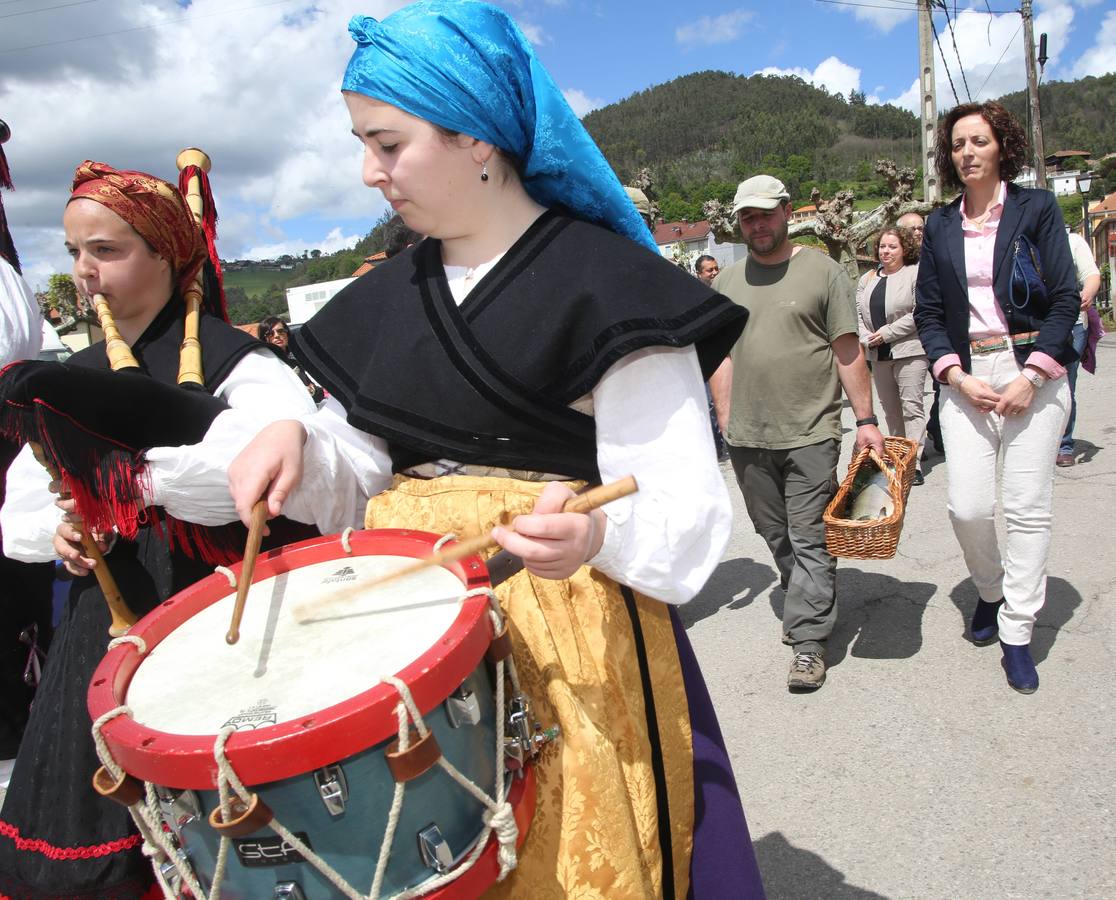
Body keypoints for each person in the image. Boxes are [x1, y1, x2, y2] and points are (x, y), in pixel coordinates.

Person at [206, 3, 765, 895]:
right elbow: (360, 473)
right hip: (409, 637)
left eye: (388, 143)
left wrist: (596, 539)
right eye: (361, 143)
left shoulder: (609, 285)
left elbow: (687, 510)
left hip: (570, 636)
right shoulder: (385, 299)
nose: (367, 172)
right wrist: (299, 448)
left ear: (477, 139)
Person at [0, 162, 318, 898]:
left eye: (107, 250)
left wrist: (129, 485)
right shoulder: (73, 369)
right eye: (76, 251)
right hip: (106, 629)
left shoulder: (237, 360)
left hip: (220, 610)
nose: (85, 270)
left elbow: (275, 463)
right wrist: (63, 531)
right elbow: (18, 511)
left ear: (169, 254)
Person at [913, 101, 1079, 695]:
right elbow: (930, 313)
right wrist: (956, 376)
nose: (967, 153)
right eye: (957, 144)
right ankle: (990, 588)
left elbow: (1065, 297)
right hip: (969, 379)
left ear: (1000, 146)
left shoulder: (1035, 207)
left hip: (1032, 369)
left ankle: (1016, 628)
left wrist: (1031, 375)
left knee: (1026, 507)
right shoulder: (938, 225)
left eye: (978, 141)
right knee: (967, 507)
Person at [710, 175, 884, 692]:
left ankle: (808, 640)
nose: (757, 223)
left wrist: (868, 421)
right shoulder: (727, 283)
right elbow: (719, 354)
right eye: (747, 216)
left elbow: (847, 350)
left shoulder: (824, 272)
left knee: (809, 535)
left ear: (788, 212)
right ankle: (809, 590)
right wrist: (724, 414)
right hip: (747, 435)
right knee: (774, 532)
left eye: (765, 213)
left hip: (811, 430)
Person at [856, 226, 929, 484]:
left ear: (904, 249)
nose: (886, 251)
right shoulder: (867, 279)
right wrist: (866, 337)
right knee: (891, 410)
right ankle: (898, 457)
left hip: (909, 351)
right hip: (879, 355)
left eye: (892, 247)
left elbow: (920, 312)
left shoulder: (915, 274)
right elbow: (858, 312)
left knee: (911, 406)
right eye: (882, 247)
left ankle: (914, 462)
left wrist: (887, 333)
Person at [1056, 230, 1100, 467]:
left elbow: (1091, 274)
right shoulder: (1024, 241)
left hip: (1071, 325)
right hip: (1035, 327)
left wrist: (1087, 293)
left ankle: (1064, 444)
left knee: (1065, 384)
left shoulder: (1071, 241)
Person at [258, 314, 325, 403]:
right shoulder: (264, 365)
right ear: (264, 339)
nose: (277, 335)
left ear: (287, 334)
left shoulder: (295, 362)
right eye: (270, 334)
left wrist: (311, 391)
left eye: (281, 331)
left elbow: (318, 394)